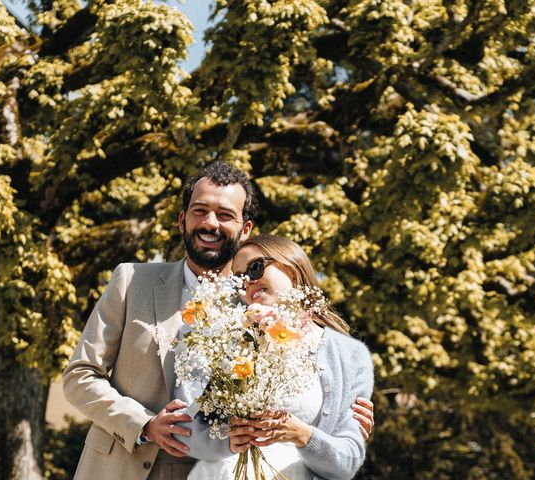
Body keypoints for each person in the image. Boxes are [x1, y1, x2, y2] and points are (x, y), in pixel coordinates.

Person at [63, 162, 374, 480]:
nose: (210, 223)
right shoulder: (130, 281)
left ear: (246, 229)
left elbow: (305, 396)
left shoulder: (263, 304)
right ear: (182, 220)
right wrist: (143, 424)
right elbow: (80, 376)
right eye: (199, 211)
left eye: (225, 215)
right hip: (120, 467)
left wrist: (342, 422)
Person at [179, 234, 374, 480]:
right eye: (238, 278)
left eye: (255, 268)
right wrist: (228, 441)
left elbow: (347, 462)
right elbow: (186, 425)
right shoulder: (227, 342)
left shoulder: (350, 356)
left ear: (291, 265)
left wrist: (302, 434)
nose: (247, 282)